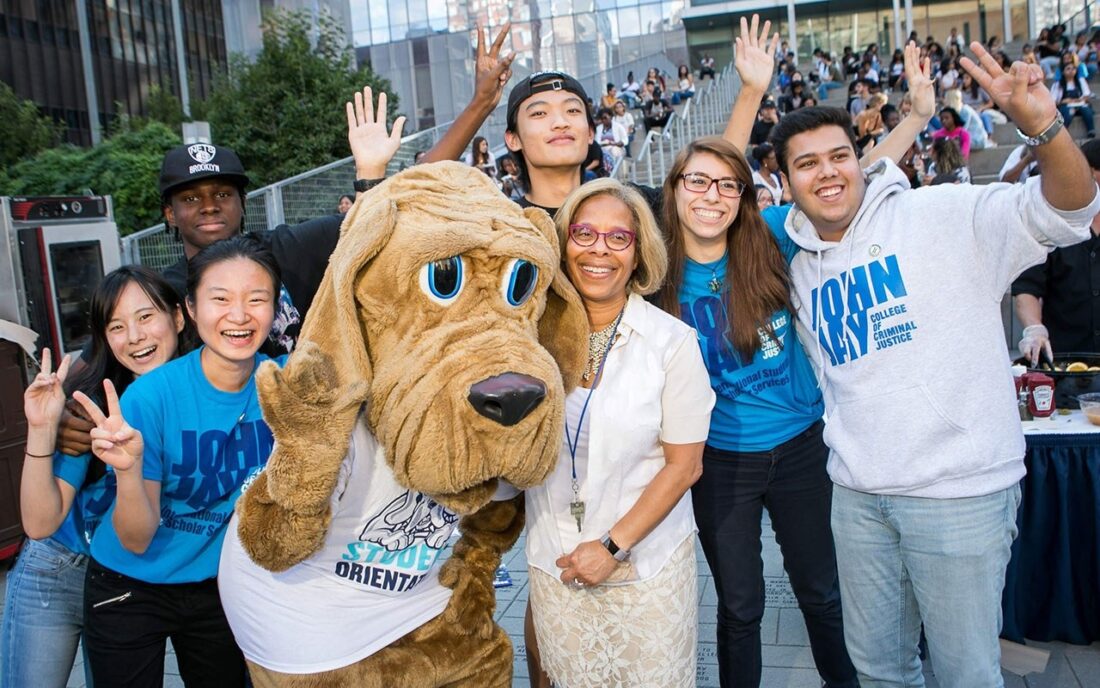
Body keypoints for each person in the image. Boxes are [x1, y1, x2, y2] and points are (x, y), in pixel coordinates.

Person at [765, 41, 1099, 687]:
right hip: (859, 498)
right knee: (880, 670)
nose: (828, 173)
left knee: (965, 673)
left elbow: (1070, 208)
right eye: (807, 164)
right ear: (785, 182)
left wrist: (1045, 129)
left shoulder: (944, 215)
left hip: (959, 494)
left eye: (840, 156)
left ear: (861, 161)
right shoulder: (799, 267)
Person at [656, 137, 859, 688]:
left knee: (821, 591)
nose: (712, 195)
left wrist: (913, 116)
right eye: (696, 181)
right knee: (741, 607)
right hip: (720, 461)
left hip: (800, 448)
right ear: (673, 191)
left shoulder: (768, 236)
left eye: (728, 185)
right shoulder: (654, 272)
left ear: (743, 196)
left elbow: (834, 190)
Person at [525, 178, 714, 688]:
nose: (599, 251)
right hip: (555, 564)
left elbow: (685, 466)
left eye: (618, 238)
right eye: (584, 233)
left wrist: (610, 548)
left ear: (638, 254)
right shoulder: (528, 336)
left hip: (644, 571)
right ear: (564, 245)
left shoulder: (671, 343)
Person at [76, 234, 287, 687]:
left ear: (275, 308)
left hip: (217, 585)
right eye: (220, 299)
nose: (238, 315)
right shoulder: (149, 397)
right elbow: (135, 539)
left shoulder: (286, 384)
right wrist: (128, 469)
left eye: (257, 299)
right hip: (128, 586)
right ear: (191, 309)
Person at [2, 267, 189, 688]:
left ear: (178, 318)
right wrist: (42, 429)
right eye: (117, 326)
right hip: (60, 568)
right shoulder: (92, 405)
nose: (136, 336)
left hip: (133, 580)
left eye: (146, 317)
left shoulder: (207, 393)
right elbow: (40, 523)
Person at [1013, 139, 1100, 363]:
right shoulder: (1052, 227)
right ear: (1091, 173)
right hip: (1066, 363)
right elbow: (1027, 288)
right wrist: (1034, 328)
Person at [1051, 51, 1096, 139]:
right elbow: (1054, 100)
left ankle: (1091, 131)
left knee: (1086, 109)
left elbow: (1087, 94)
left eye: (1073, 69)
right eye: (1068, 69)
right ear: (1063, 72)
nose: (1071, 71)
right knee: (1069, 111)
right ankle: (1063, 133)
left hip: (1080, 104)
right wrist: (1064, 101)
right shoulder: (1059, 84)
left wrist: (1080, 99)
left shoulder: (1080, 81)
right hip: (1066, 106)